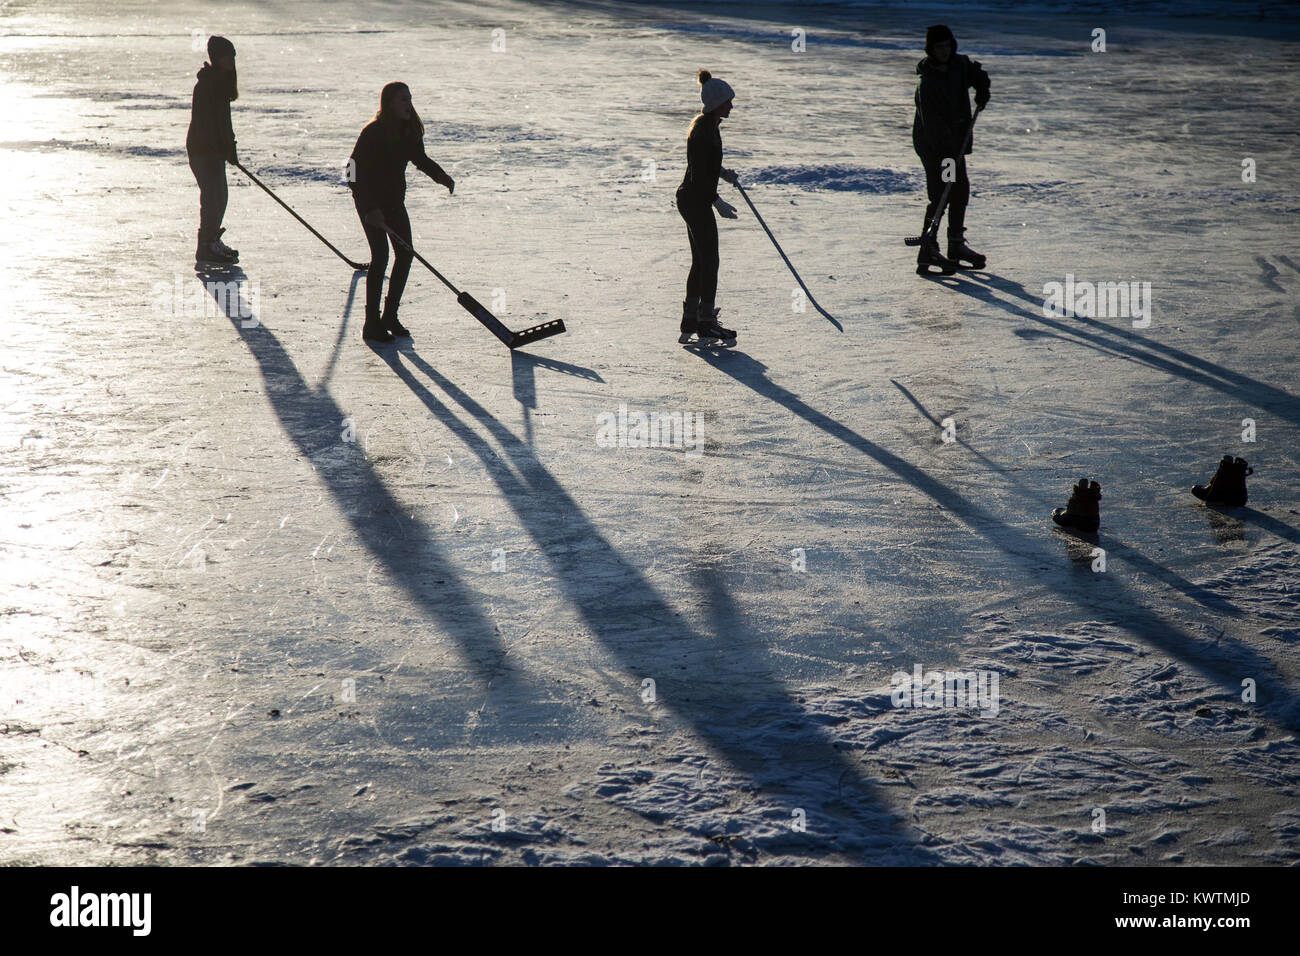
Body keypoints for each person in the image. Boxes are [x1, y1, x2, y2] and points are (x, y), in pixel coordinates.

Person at [348, 82, 455, 343]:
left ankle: (389, 316)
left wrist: (440, 175)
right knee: (381, 257)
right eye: (402, 99)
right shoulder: (373, 133)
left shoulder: (409, 130)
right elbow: (352, 171)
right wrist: (370, 209)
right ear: (389, 103)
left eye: (409, 98)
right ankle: (371, 323)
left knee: (405, 254)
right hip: (369, 202)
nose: (408, 104)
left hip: (394, 202)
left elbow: (419, 158)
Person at [912, 24, 990, 275]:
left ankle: (955, 245)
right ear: (931, 50)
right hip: (936, 147)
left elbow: (978, 74)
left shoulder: (959, 66)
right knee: (942, 193)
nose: (943, 52)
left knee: (960, 190)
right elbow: (932, 124)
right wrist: (948, 152)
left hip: (954, 144)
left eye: (947, 46)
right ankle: (927, 249)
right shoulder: (928, 82)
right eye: (938, 48)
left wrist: (982, 89)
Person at [676, 69, 740, 345]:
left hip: (692, 198)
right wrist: (717, 201)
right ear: (716, 103)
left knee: (701, 261)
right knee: (710, 261)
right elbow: (700, 173)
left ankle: (692, 319)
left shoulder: (709, 126)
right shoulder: (703, 130)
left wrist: (723, 173)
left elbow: (705, 166)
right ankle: (706, 323)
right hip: (695, 200)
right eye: (728, 102)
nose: (731, 106)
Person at [186, 35, 241, 265]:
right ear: (216, 58)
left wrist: (231, 148)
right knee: (213, 198)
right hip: (203, 150)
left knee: (221, 197)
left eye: (232, 56)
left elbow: (224, 123)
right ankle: (206, 245)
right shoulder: (208, 84)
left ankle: (211, 240)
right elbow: (207, 123)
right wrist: (221, 147)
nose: (230, 61)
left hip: (214, 151)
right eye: (226, 56)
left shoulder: (221, 82)